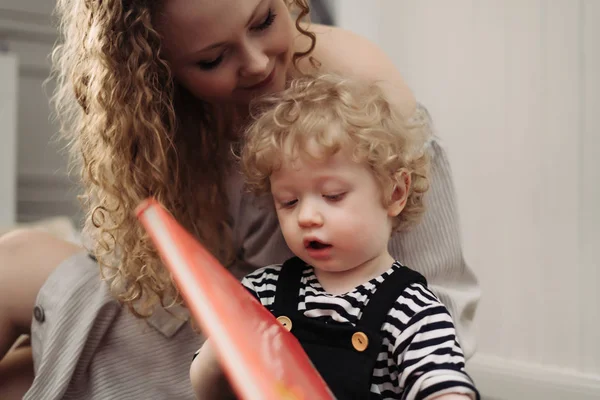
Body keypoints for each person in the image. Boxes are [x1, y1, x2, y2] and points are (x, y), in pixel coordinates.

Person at [0, 0, 479, 398]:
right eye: (211, 60)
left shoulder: (357, 88)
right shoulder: (161, 116)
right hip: (206, 330)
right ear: (157, 67)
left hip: (291, 359)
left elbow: (432, 304)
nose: (255, 63)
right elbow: (145, 267)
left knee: (26, 333)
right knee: (22, 297)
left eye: (265, 20)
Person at [191, 74, 479, 400]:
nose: (306, 217)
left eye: (332, 195)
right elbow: (208, 389)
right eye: (289, 201)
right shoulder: (261, 293)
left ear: (395, 192)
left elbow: (442, 384)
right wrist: (219, 349)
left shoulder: (412, 308)